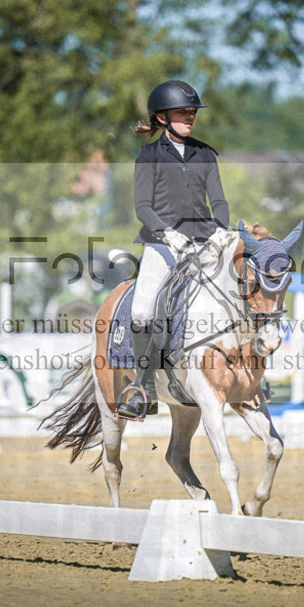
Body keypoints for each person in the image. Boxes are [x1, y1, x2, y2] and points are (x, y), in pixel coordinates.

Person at [116, 80, 230, 421]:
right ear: (163, 118)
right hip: (162, 243)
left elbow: (220, 201)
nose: (190, 117)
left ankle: (248, 379)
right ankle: (144, 388)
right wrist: (167, 234)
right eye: (183, 112)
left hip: (204, 241)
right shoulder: (148, 155)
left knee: (236, 292)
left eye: (192, 112)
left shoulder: (205, 154)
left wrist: (221, 233)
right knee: (141, 311)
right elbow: (142, 207)